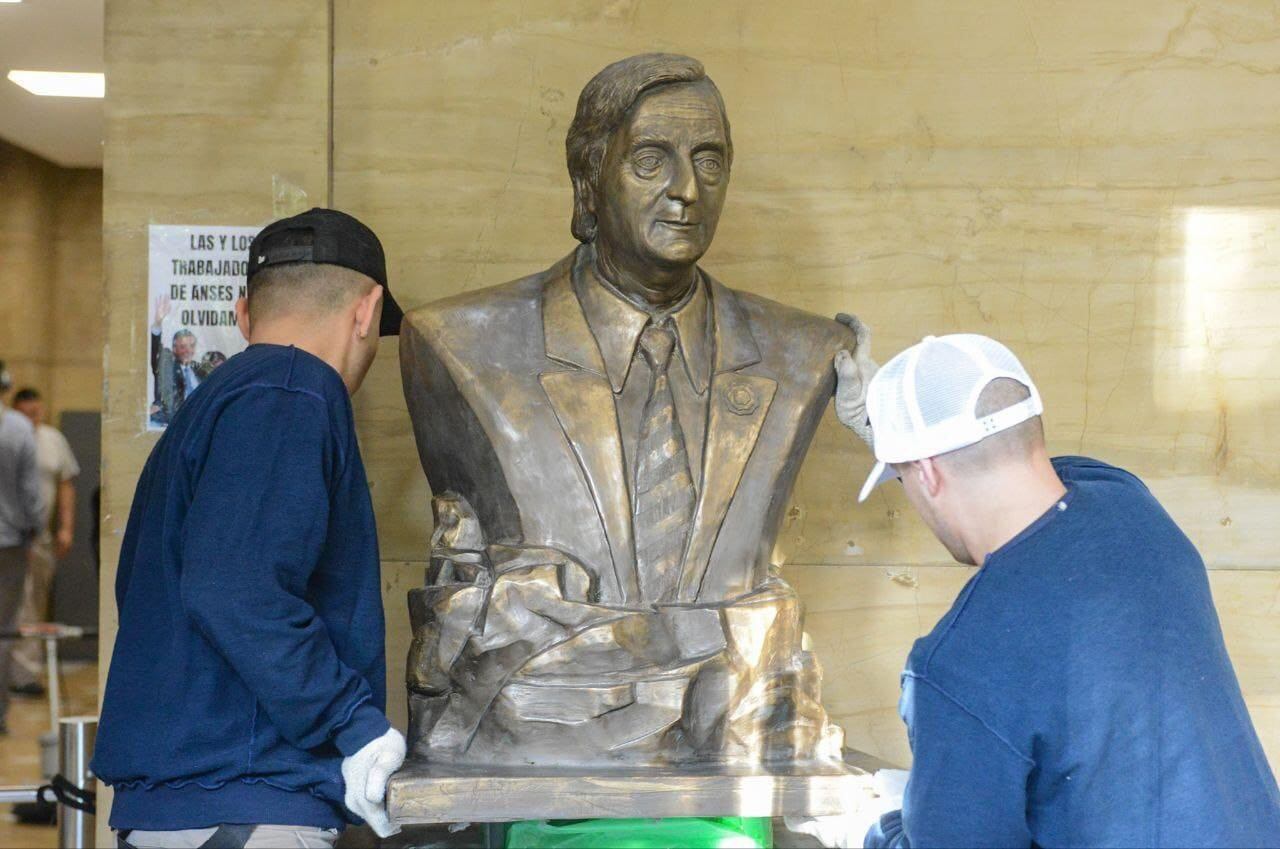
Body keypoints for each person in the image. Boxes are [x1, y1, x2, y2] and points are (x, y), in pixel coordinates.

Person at [826, 333, 1280, 847]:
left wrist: (871, 829)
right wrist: (897, 431)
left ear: (927, 473)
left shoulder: (956, 665)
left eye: (903, 477)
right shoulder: (1126, 501)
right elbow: (1009, 472)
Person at [93, 208, 409, 849]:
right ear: (367, 312)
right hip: (243, 805)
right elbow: (234, 588)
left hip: (189, 804)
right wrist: (353, 723)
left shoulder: (211, 405)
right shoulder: (292, 392)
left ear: (243, 315)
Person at [7, 386, 80, 697]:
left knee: (34, 603)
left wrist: (65, 528)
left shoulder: (53, 440)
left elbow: (66, 485)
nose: (32, 418)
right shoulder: (9, 437)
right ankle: (15, 675)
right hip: (11, 536)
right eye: (26, 413)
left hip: (39, 537)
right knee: (15, 605)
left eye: (37, 412)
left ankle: (24, 672)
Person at [0, 360, 42, 734]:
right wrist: (35, 529)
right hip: (9, 544)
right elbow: (31, 493)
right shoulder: (18, 428)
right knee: (4, 629)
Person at [149, 298, 208, 425]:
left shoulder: (201, 371)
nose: (188, 351)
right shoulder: (166, 366)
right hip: (172, 422)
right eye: (183, 347)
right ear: (174, 349)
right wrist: (158, 323)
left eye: (191, 346)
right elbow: (155, 352)